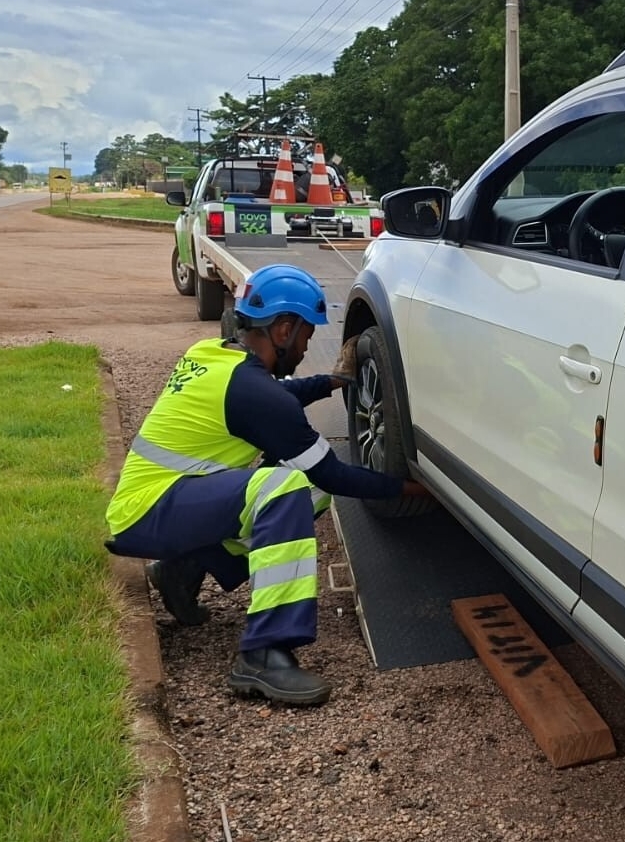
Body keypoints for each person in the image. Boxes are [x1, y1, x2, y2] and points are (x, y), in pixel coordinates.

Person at [105, 264, 428, 706]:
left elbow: (275, 395)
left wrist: (331, 383)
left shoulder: (213, 354)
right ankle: (264, 651)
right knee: (289, 487)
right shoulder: (256, 395)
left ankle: (183, 568)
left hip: (163, 502)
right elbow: (331, 472)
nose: (306, 347)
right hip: (148, 513)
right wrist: (409, 490)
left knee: (305, 489)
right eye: (306, 337)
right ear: (283, 329)